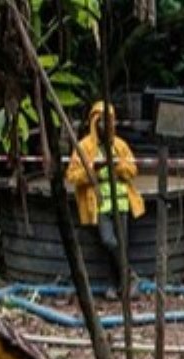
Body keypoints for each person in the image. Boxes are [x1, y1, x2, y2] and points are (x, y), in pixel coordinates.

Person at [65, 101, 145, 291]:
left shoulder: (120, 145)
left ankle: (116, 286)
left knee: (120, 247)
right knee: (108, 241)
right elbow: (72, 175)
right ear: (94, 122)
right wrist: (93, 169)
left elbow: (133, 170)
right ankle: (130, 275)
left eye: (108, 122)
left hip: (122, 203)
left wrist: (118, 165)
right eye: (100, 122)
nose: (104, 126)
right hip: (100, 205)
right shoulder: (84, 147)